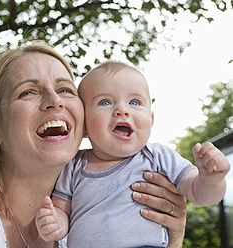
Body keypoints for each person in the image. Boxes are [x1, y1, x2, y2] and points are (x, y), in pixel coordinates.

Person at [0, 42, 188, 248]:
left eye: (66, 89)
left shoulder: (79, 226)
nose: (55, 100)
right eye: (28, 91)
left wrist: (171, 241)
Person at [35, 61, 231, 247]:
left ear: (151, 120)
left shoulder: (157, 156)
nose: (122, 110)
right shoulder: (74, 166)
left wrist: (211, 179)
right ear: (84, 126)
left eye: (135, 102)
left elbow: (200, 194)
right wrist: (54, 223)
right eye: (105, 102)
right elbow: (62, 212)